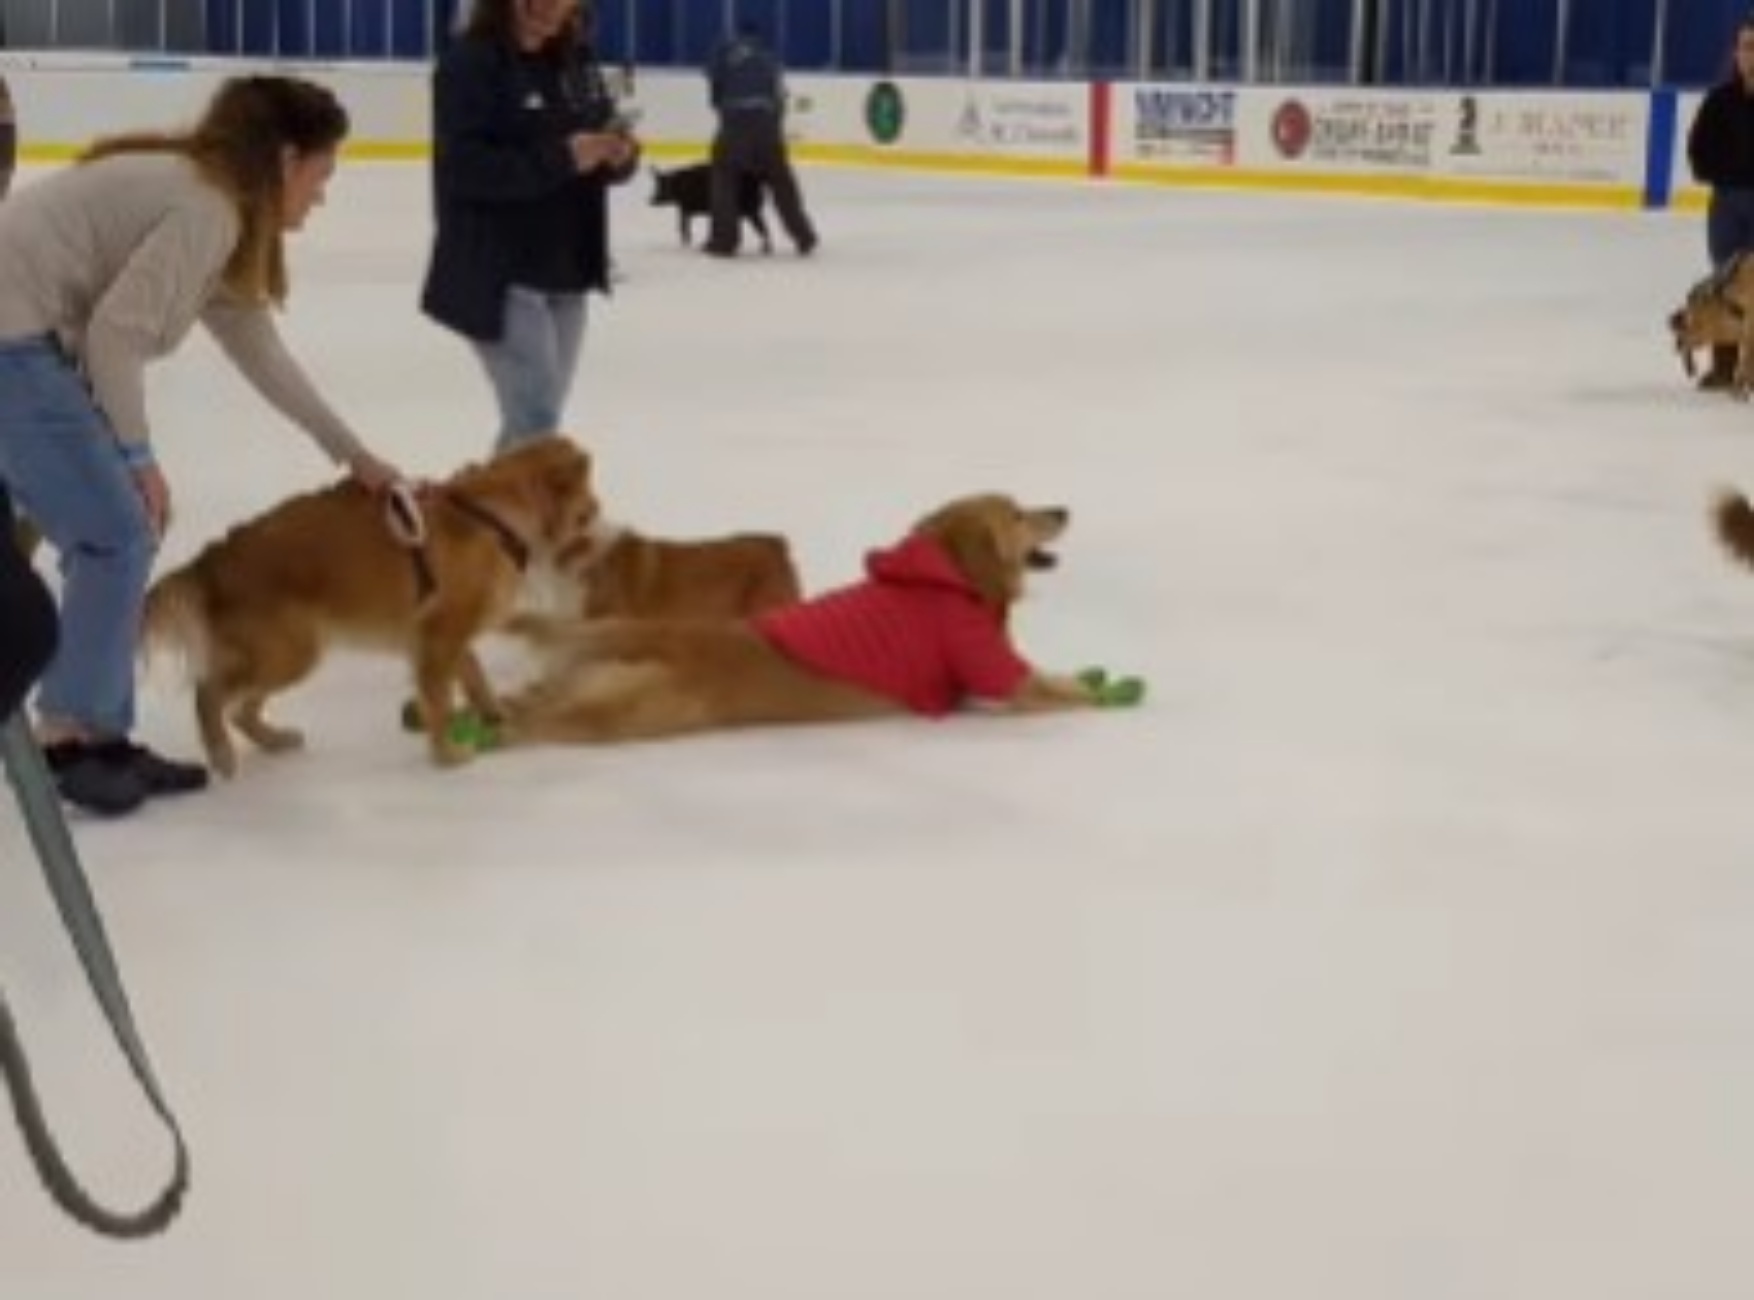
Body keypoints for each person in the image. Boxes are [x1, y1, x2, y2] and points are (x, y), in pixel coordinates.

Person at [0, 74, 404, 817]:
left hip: (26, 342)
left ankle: (97, 729)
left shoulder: (215, 209)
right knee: (118, 531)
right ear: (286, 160)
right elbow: (115, 335)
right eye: (322, 173)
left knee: (117, 529)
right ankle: (71, 739)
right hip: (12, 345)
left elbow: (263, 355)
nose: (323, 192)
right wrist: (136, 458)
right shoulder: (206, 210)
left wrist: (355, 456)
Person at [421, 0, 641, 456]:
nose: (548, 12)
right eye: (536, 2)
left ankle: (483, 519)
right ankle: (508, 524)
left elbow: (594, 141)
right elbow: (464, 169)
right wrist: (565, 157)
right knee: (537, 422)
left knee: (532, 422)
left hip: (567, 270)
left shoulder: (577, 61)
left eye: (560, 4)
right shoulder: (470, 63)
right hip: (499, 272)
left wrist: (618, 155)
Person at [703, 20, 816, 259]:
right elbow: (780, 98)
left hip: (734, 126)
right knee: (782, 182)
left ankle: (724, 240)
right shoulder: (770, 57)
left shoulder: (723, 50)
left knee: (724, 177)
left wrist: (724, 110)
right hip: (766, 126)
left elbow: (714, 89)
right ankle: (803, 234)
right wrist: (773, 128)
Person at [1686, 17, 1754, 391]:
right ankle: (1724, 366)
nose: (1752, 55)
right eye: (1747, 47)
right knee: (1724, 283)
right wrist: (1723, 173)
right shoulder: (1719, 102)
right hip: (1727, 203)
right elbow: (1698, 152)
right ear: (1736, 53)